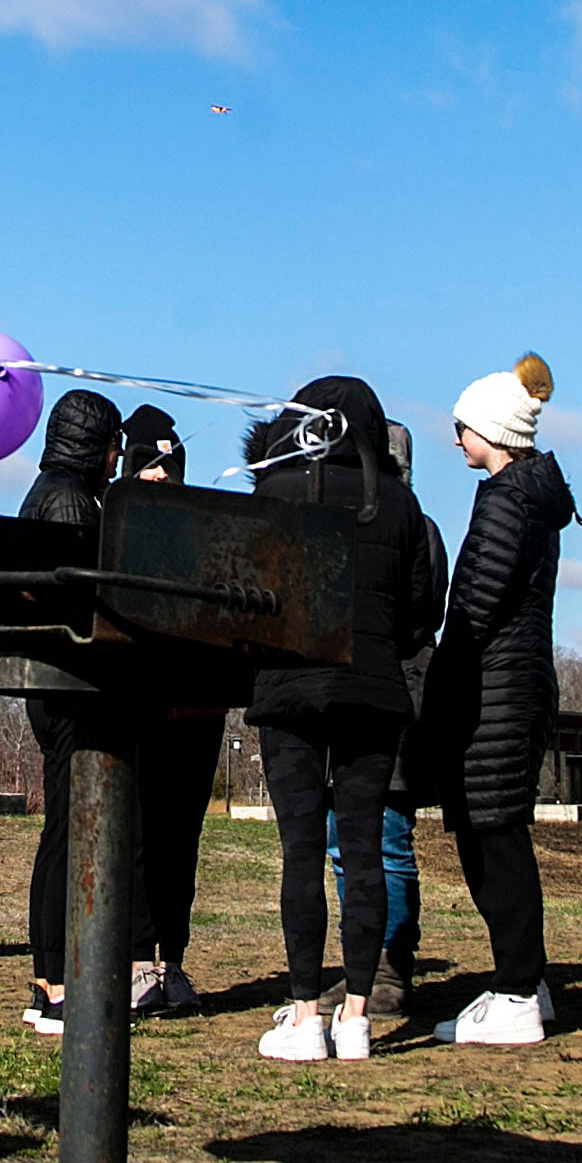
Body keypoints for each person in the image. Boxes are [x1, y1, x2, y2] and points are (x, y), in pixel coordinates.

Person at [243, 379, 441, 1063]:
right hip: (374, 691)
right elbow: (422, 612)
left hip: (288, 689)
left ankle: (305, 1016)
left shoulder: (271, 497)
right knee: (363, 854)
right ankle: (356, 1015)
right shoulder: (403, 505)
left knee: (301, 853)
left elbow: (242, 597)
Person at [415, 353, 579, 1048]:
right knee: (496, 832)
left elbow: (479, 602)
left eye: (462, 428)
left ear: (492, 430)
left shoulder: (509, 499)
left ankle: (514, 989)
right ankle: (526, 982)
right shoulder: (528, 496)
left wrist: (443, 672)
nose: (455, 440)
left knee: (494, 837)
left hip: (496, 689)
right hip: (514, 681)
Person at [326, 421, 447, 1018]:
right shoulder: (348, 522)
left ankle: (392, 968)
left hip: (396, 698)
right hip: (344, 696)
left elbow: (420, 616)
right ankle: (360, 969)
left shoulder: (416, 529)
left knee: (388, 843)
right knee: (344, 845)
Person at [18, 389, 122, 1035]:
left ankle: (48, 978)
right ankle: (53, 980)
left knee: (60, 828)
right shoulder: (70, 501)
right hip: (65, 684)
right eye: (111, 443)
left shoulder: (50, 492)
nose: (116, 458)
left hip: (49, 683)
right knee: (63, 831)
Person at [124, 407, 223, 1016]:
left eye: (169, 466)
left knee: (179, 841)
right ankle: (136, 961)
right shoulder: (116, 530)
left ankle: (172, 960)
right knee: (134, 835)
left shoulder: (206, 531)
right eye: (146, 466)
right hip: (135, 711)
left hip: (197, 711)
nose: (160, 477)